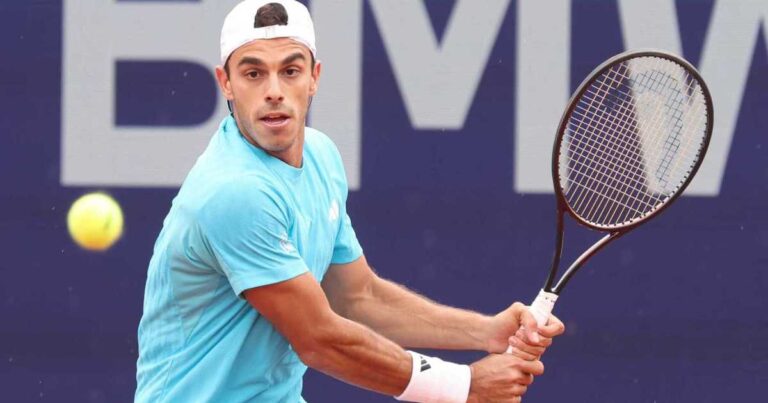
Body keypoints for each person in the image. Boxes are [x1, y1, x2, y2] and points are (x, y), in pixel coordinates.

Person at [135, 1, 565, 402]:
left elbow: (356, 297)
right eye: (253, 74)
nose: (274, 91)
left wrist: (485, 331)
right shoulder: (234, 192)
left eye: (290, 71)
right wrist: (464, 386)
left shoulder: (320, 156)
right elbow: (319, 340)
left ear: (314, 77)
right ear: (225, 83)